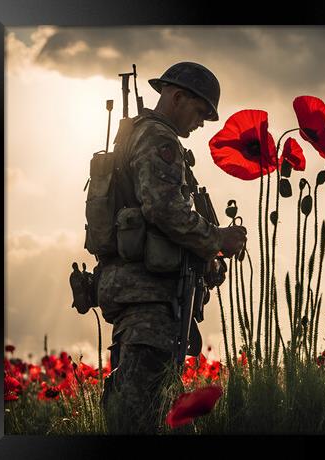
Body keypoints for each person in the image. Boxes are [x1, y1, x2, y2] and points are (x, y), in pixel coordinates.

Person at [98, 62, 247, 434]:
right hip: (150, 297)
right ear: (178, 97)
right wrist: (217, 239)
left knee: (139, 401)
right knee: (145, 412)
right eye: (200, 112)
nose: (200, 124)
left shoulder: (134, 135)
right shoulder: (159, 139)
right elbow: (163, 208)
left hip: (137, 292)